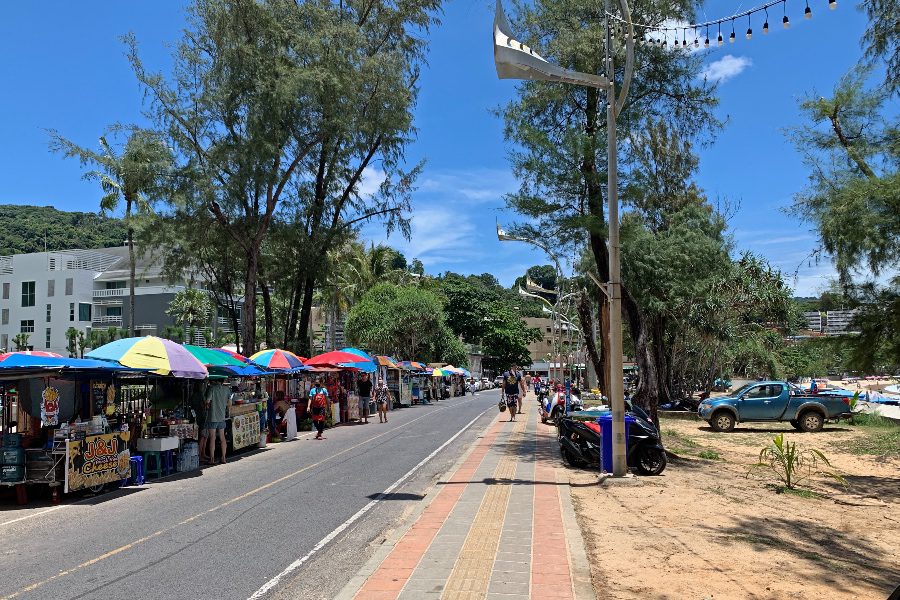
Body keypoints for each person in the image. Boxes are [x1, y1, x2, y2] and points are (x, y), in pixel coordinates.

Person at [204, 381, 229, 464]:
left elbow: (207, 401)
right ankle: (224, 458)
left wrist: (206, 405)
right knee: (222, 438)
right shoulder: (226, 389)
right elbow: (230, 402)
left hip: (212, 417)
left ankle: (212, 459)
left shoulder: (211, 388)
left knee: (212, 437)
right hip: (222, 417)